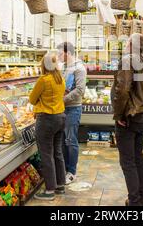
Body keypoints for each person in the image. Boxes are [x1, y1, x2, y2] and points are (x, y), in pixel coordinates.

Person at [111, 33, 143, 206]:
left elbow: (122, 90)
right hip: (141, 116)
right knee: (138, 158)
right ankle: (141, 199)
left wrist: (119, 115)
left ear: (130, 44)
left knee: (128, 162)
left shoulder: (128, 60)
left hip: (128, 118)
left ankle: (134, 202)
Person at [29, 53, 67, 201]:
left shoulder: (43, 80)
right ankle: (60, 184)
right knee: (57, 152)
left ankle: (49, 190)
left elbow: (32, 99)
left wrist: (38, 102)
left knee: (46, 154)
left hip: (46, 119)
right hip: (60, 117)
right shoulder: (60, 79)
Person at [57, 42, 87, 185]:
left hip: (73, 109)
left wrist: (63, 100)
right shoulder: (64, 67)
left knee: (71, 140)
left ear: (67, 53)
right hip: (62, 109)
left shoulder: (79, 68)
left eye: (60, 53)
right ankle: (63, 170)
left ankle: (72, 172)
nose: (58, 56)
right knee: (63, 140)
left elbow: (80, 90)